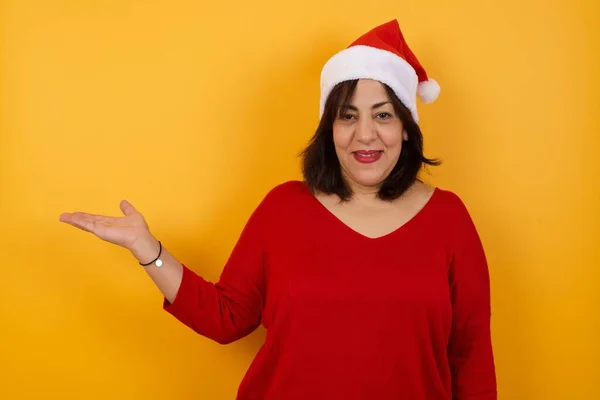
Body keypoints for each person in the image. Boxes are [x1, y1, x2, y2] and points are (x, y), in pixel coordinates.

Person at [59, 19, 497, 400]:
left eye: (382, 116)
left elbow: (472, 358)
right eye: (347, 116)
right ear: (329, 129)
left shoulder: (449, 220)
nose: (365, 134)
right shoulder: (283, 209)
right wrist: (146, 247)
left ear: (406, 127)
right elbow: (226, 317)